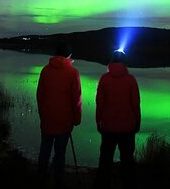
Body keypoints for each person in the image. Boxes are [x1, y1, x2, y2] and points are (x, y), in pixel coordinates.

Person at [36, 42, 82, 189]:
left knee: (45, 151)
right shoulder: (73, 73)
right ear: (69, 56)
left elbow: (40, 96)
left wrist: (42, 115)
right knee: (60, 154)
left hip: (47, 120)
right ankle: (58, 182)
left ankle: (40, 179)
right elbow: (77, 100)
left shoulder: (45, 71)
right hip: (64, 122)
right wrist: (77, 119)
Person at [93, 49, 141, 189]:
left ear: (111, 61)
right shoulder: (131, 80)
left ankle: (102, 185)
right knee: (127, 161)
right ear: (124, 62)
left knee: (105, 161)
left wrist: (98, 121)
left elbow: (99, 102)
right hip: (127, 128)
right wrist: (137, 122)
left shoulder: (104, 79)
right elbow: (136, 104)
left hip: (108, 127)